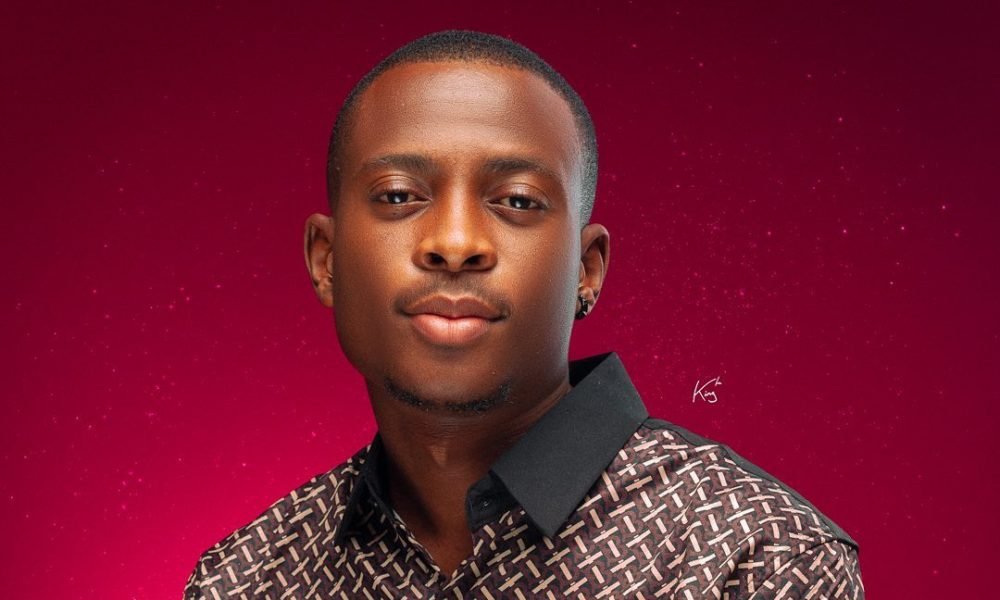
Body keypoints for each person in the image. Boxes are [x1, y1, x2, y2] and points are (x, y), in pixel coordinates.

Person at [184, 30, 863, 599]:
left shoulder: (758, 562)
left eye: (516, 201)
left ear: (586, 270)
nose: (455, 243)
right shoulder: (243, 581)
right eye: (397, 196)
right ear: (326, 261)